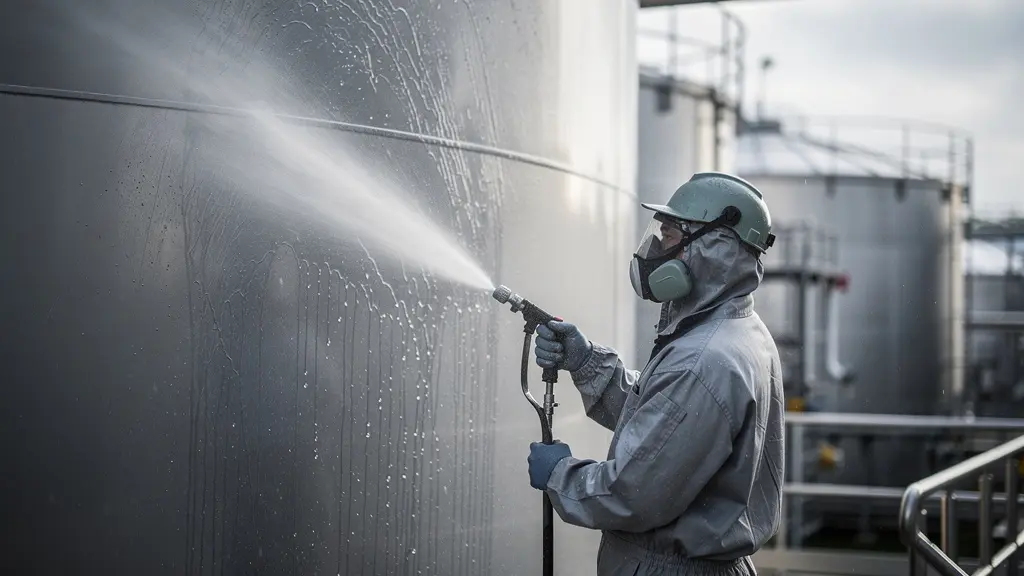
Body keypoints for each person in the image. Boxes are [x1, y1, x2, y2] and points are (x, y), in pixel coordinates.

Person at [528, 172, 785, 575]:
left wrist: (560, 474)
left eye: (668, 236)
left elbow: (633, 495)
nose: (653, 250)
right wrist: (587, 363)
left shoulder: (702, 361)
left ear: (713, 248)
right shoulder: (735, 329)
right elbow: (667, 427)